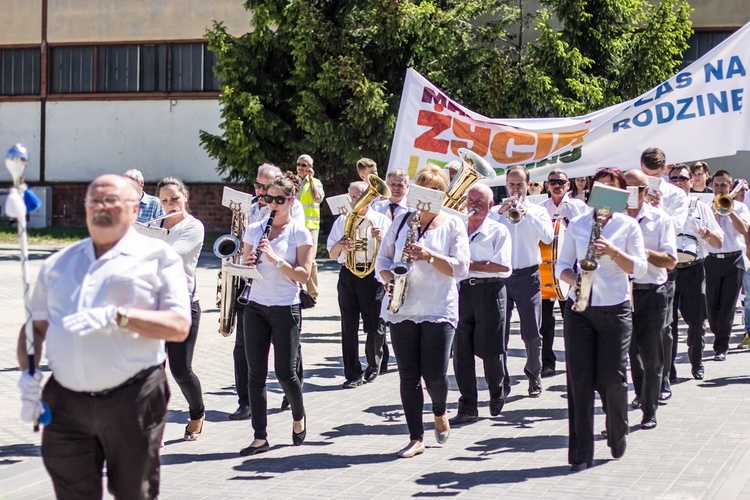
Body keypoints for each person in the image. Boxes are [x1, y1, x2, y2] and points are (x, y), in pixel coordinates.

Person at [17, 174, 190, 498]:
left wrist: (119, 316)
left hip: (132, 399)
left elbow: (179, 326)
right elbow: (35, 329)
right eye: (94, 201)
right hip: (66, 404)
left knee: (133, 493)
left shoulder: (158, 257)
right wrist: (27, 376)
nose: (101, 207)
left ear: (135, 209)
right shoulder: (58, 263)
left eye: (111, 200)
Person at [556, 168, 648, 471]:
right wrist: (577, 281)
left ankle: (617, 430)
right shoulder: (579, 224)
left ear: (621, 193)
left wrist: (613, 251)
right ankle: (581, 453)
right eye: (601, 186)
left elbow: (640, 269)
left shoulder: (627, 225)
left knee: (612, 378)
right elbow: (562, 266)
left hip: (614, 308)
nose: (605, 191)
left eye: (612, 187)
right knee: (579, 381)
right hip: (580, 309)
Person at [375, 164, 470, 459]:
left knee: (435, 376)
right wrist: (389, 279)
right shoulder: (403, 220)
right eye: (423, 188)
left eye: (434, 190)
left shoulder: (454, 224)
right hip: (403, 306)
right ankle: (416, 437)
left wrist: (429, 256)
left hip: (438, 306)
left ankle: (440, 410)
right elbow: (383, 259)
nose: (427, 195)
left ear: (441, 194)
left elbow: (461, 268)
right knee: (408, 376)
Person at [239, 173, 313, 456]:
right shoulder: (256, 228)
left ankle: (298, 415)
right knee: (255, 373)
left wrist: (276, 260)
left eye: (278, 199)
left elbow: (303, 275)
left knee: (285, 372)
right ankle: (260, 437)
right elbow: (245, 268)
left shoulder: (299, 232)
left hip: (286, 307)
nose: (272, 204)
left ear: (290, 200)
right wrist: (245, 263)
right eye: (267, 198)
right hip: (256, 306)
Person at [450, 184, 511, 425]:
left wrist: (467, 264)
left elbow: (503, 266)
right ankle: (468, 406)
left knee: (492, 350)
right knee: (461, 352)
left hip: (490, 290)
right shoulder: (457, 228)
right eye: (470, 199)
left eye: (479, 200)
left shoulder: (498, 230)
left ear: (491, 204)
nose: (473, 204)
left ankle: (497, 391)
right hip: (462, 291)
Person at [490, 165, 553, 399]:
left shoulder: (538, 210)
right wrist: (499, 213)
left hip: (529, 276)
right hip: (502, 277)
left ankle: (533, 375)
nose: (515, 189)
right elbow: (485, 234)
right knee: (500, 332)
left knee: (532, 333)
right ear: (506, 184)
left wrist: (528, 214)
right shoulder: (496, 211)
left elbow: (547, 237)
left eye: (519, 184)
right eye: (511, 184)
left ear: (528, 184)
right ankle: (503, 380)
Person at [624, 170, 677, 431]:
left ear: (646, 191)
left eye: (637, 189)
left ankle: (649, 409)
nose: (631, 193)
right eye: (626, 188)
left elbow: (670, 261)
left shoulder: (660, 219)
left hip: (652, 292)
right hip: (622, 293)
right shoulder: (614, 218)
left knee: (652, 353)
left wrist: (639, 252)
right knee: (631, 352)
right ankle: (641, 393)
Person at [154, 177, 206, 440]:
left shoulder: (193, 227)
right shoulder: (153, 226)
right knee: (153, 369)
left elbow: (172, 256)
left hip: (182, 305)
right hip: (153, 305)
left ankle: (197, 412)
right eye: (164, 200)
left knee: (180, 370)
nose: (170, 204)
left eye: (174, 198)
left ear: (185, 196)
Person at [327, 181, 391, 387]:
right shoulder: (343, 220)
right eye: (352, 196)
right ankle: (352, 374)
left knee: (374, 324)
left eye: (360, 196)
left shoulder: (381, 220)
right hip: (349, 274)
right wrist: (341, 244)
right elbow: (331, 253)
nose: (356, 200)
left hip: (372, 275)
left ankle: (373, 364)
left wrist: (381, 238)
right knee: (349, 325)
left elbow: (391, 253)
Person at [640, 148, 688, 401]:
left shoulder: (677, 195)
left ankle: (664, 376)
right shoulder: (633, 190)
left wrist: (658, 211)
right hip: (633, 270)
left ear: (665, 170)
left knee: (662, 327)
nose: (651, 179)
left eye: (655, 174)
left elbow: (678, 225)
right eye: (647, 174)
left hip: (663, 266)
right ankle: (642, 383)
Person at [667, 165, 723, 380]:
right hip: (669, 270)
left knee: (697, 322)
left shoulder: (701, 207)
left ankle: (697, 364)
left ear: (692, 181)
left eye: (683, 178)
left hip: (694, 269)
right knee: (667, 325)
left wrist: (708, 234)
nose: (678, 182)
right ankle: (668, 370)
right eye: (674, 179)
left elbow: (718, 243)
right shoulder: (663, 206)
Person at [539, 169, 589, 377]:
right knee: (546, 320)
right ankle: (547, 362)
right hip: (546, 269)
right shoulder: (541, 208)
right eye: (553, 182)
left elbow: (587, 233)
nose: (557, 185)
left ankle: (576, 362)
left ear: (569, 185)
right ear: (547, 185)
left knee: (574, 318)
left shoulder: (579, 207)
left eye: (561, 182)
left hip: (571, 267)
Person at [705, 170, 750, 361]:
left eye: (723, 185)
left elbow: (744, 229)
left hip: (734, 260)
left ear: (730, 187)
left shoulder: (739, 207)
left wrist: (729, 211)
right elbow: (705, 230)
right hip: (711, 260)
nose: (719, 188)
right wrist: (715, 213)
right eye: (716, 185)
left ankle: (721, 347)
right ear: (712, 186)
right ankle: (718, 332)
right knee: (711, 306)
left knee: (728, 305)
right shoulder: (706, 207)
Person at [296, 154, 325, 300]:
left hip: (311, 226)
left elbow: (318, 198)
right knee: (294, 259)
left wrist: (311, 179)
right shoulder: (291, 182)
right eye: (299, 164)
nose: (300, 167)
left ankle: (312, 294)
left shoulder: (316, 182)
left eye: (304, 165)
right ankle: (297, 292)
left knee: (311, 260)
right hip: (295, 226)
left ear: (310, 168)